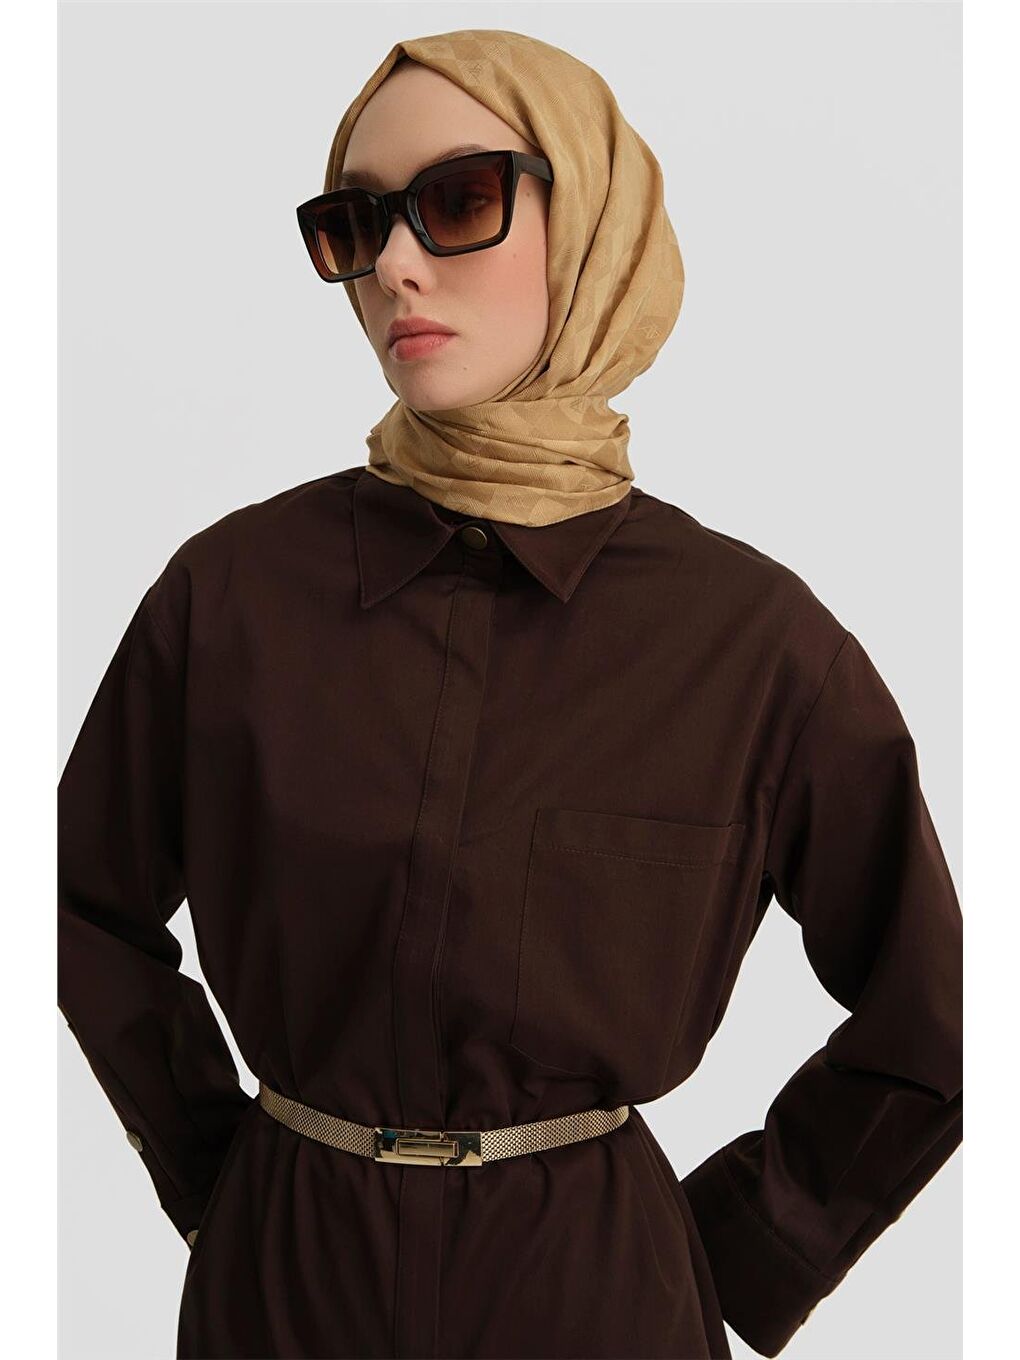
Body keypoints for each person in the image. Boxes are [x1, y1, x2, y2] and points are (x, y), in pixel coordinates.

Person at [58, 27, 962, 1360]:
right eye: (355, 223)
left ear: (590, 222)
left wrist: (725, 1257)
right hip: (282, 1293)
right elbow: (74, 903)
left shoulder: (752, 644)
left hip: (596, 1303)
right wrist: (225, 1176)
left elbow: (936, 1013)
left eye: (460, 199)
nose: (395, 265)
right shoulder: (230, 599)